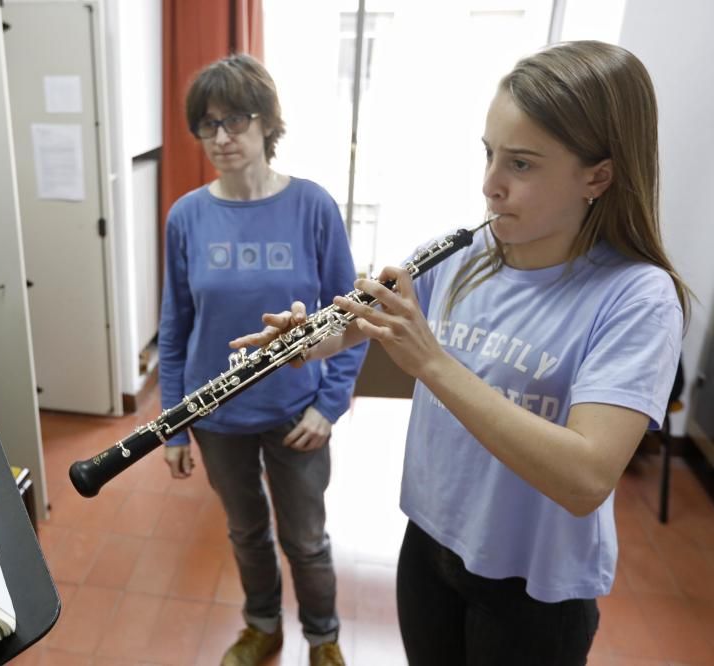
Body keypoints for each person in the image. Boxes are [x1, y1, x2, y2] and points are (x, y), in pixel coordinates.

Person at [231, 40, 687, 665]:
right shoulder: (461, 255)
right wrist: (303, 343)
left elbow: (585, 478)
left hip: (534, 586)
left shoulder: (636, 296)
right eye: (489, 153)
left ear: (597, 176)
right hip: (432, 543)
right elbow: (353, 329)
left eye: (522, 165)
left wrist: (434, 364)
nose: (490, 185)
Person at [158, 53, 367, 666]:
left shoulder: (312, 206)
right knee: (247, 532)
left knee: (305, 539)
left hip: (296, 412)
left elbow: (353, 319)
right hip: (215, 415)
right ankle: (262, 627)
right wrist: (174, 423)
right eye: (207, 124)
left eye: (236, 120)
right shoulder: (187, 216)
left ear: (266, 121)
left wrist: (331, 404)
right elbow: (175, 326)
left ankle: (323, 638)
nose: (221, 137)